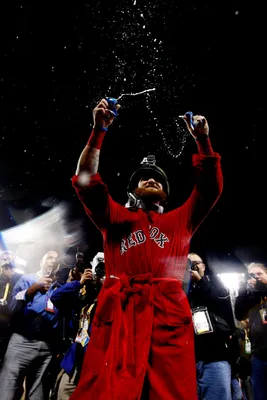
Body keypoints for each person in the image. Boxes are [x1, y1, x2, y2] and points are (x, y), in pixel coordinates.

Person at [70, 98, 223, 400]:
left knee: (170, 392)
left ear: (166, 193)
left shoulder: (181, 220)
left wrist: (203, 141)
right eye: (143, 178)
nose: (151, 179)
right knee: (109, 392)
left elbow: (210, 188)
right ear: (133, 191)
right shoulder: (116, 218)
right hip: (121, 316)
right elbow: (85, 182)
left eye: (157, 180)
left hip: (166, 319)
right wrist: (98, 131)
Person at [0, 250, 61, 400]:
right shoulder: (27, 278)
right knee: (8, 390)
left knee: (37, 395)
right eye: (49, 258)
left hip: (46, 348)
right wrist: (33, 288)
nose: (52, 261)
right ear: (41, 261)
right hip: (22, 342)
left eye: (56, 260)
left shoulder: (60, 287)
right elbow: (13, 305)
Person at [187, 252, 236, 400]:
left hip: (214, 356)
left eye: (196, 263)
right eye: (188, 263)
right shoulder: (181, 288)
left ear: (203, 266)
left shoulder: (214, 283)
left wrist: (201, 282)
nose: (193, 266)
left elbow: (220, 301)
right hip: (189, 357)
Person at [235, 262, 267, 400]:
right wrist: (242, 291)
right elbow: (239, 314)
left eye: (259, 273)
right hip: (259, 356)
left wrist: (263, 288)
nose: (256, 277)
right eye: (252, 275)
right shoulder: (254, 298)